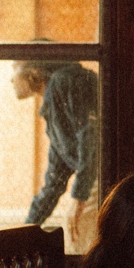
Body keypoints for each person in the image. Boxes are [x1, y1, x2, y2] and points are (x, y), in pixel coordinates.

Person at [13, 59, 100, 251]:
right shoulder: (54, 107)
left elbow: (90, 133)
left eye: (15, 68)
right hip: (94, 179)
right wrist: (24, 231)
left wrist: (79, 198)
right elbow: (54, 182)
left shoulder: (63, 81)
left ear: (33, 71)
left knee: (75, 238)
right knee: (73, 238)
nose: (12, 79)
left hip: (101, 177)